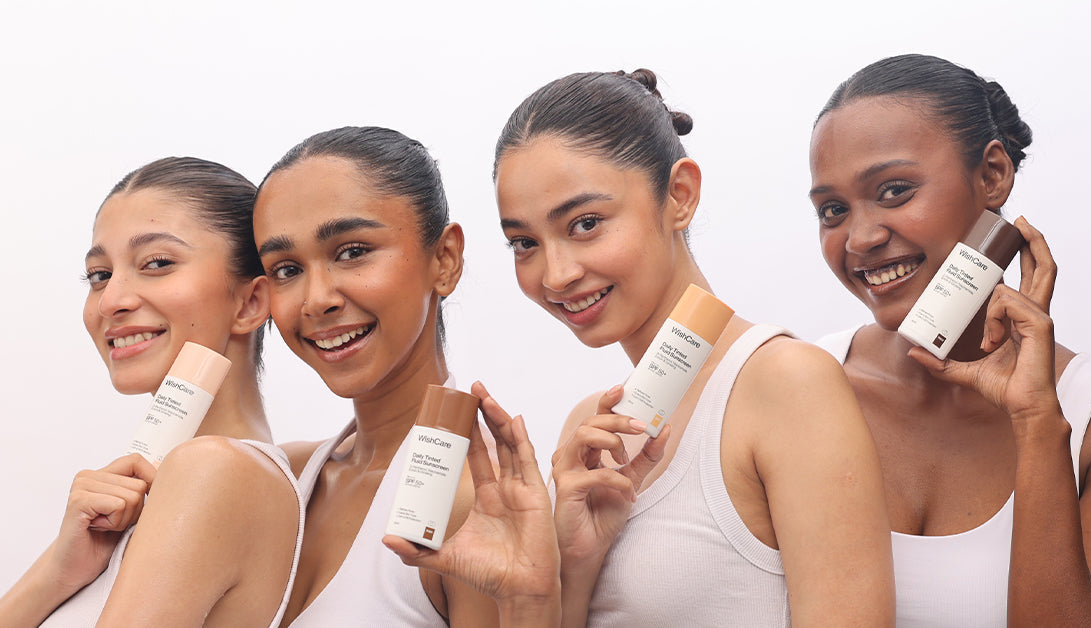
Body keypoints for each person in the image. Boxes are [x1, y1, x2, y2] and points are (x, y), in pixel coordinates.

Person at [493, 69, 896, 626]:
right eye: (524, 243)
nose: (556, 273)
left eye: (586, 223)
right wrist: (574, 565)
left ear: (679, 196)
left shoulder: (787, 383)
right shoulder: (589, 428)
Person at [808, 54, 1091, 627]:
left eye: (894, 190)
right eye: (833, 209)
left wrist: (1036, 423)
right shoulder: (801, 387)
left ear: (992, 176)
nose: (860, 238)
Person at [253, 126, 558, 627]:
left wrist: (532, 605)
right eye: (286, 269)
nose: (316, 299)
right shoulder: (282, 478)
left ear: (445, 259)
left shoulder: (476, 505)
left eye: (352, 252)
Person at [0, 157, 302, 626]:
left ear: (251, 301)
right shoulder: (157, 493)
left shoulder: (216, 469)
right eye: (99, 275)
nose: (111, 301)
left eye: (157, 263)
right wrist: (57, 573)